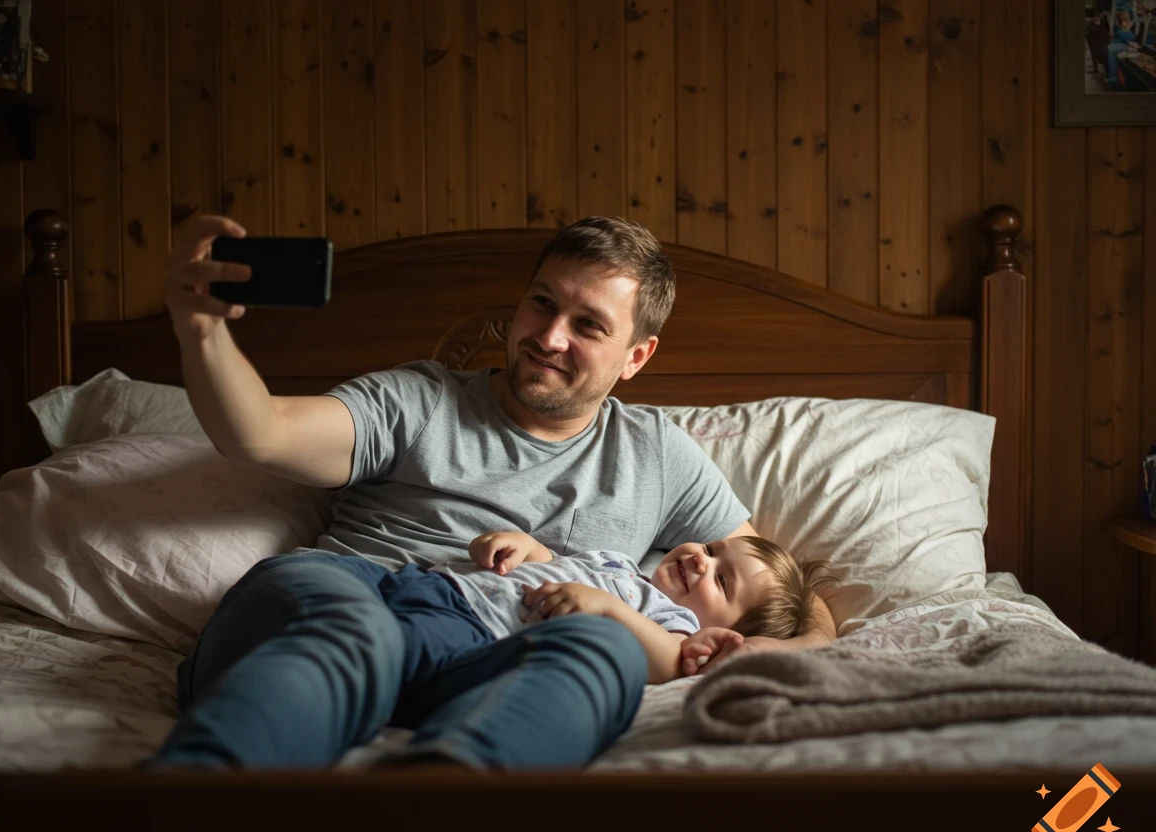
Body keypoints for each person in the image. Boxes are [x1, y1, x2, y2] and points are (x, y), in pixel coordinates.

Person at [148, 214, 838, 772]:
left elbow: (778, 592)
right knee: (355, 629)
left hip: (480, 653)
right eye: (542, 303)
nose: (549, 337)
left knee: (604, 650)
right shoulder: (417, 399)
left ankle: (451, 807)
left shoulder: (658, 454)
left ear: (636, 356)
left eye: (588, 325)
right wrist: (201, 331)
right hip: (354, 593)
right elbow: (261, 433)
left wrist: (772, 652)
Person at [453, 529, 836, 683]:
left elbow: (670, 660)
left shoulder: (674, 622)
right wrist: (526, 547)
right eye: (710, 549)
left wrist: (608, 608)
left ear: (723, 634)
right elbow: (559, 564)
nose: (701, 559)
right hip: (449, 586)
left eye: (721, 581)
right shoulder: (619, 563)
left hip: (478, 628)